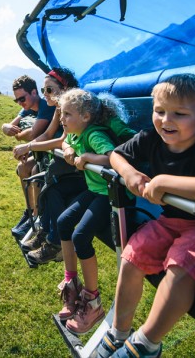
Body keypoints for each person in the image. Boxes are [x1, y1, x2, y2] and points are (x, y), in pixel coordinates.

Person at [96, 73, 195, 358]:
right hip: (172, 222)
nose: (166, 120)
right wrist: (129, 172)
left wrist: (165, 181)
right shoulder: (150, 138)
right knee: (132, 256)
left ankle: (146, 344)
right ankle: (119, 331)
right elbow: (117, 155)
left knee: (182, 265)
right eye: (159, 111)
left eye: (179, 114)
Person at [54, 89, 126, 335]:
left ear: (85, 116)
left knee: (80, 237)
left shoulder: (94, 135)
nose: (62, 118)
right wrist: (67, 149)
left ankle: (93, 302)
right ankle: (72, 283)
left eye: (67, 114)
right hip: (94, 191)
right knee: (63, 222)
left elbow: (113, 157)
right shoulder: (77, 133)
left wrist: (86, 156)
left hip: (109, 195)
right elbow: (65, 140)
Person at [12, 68, 83, 262]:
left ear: (65, 88)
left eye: (49, 90)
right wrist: (28, 146)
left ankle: (53, 240)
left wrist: (29, 145)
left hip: (80, 169)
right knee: (49, 187)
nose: (45, 95)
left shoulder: (73, 107)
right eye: (44, 91)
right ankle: (46, 232)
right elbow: (49, 134)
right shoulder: (60, 108)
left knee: (50, 182)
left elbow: (62, 139)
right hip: (68, 166)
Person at [1, 75, 56, 238]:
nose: (20, 103)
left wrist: (18, 137)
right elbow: (11, 125)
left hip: (49, 152)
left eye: (22, 98)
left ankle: (37, 216)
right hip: (40, 151)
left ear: (34, 92)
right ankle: (30, 211)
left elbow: (34, 133)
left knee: (34, 172)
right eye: (16, 100)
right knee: (22, 168)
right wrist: (4, 127)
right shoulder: (27, 106)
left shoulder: (46, 105)